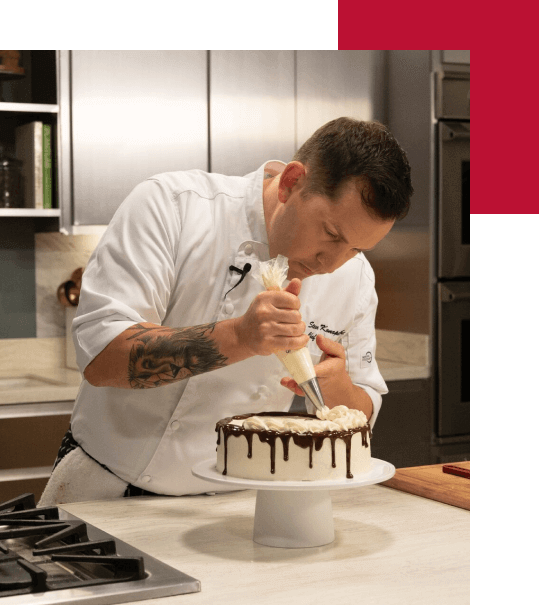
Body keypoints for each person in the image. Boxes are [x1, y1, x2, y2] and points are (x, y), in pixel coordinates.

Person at [39, 117, 413, 506]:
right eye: (332, 234)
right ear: (291, 183)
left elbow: (363, 408)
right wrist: (240, 337)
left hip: (244, 504)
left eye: (356, 248)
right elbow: (101, 358)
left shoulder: (354, 278)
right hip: (107, 490)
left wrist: (336, 388)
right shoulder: (174, 206)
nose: (332, 263)